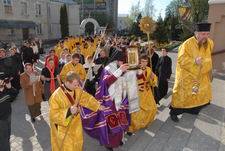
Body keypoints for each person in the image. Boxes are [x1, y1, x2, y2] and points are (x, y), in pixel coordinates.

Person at [82, 51, 132, 151]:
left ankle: (119, 139)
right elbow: (107, 81)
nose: (123, 64)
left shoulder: (121, 67)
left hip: (120, 100)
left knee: (121, 120)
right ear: (117, 61)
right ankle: (109, 144)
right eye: (122, 62)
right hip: (109, 101)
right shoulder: (108, 68)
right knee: (111, 124)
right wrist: (119, 71)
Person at [170, 22, 214, 122]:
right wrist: (194, 61)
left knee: (198, 95)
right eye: (203, 34)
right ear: (196, 33)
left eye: (207, 34)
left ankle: (193, 110)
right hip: (186, 76)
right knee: (181, 96)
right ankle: (174, 112)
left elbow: (208, 56)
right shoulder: (186, 44)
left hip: (201, 75)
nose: (205, 37)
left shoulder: (210, 43)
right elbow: (181, 60)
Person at [49, 71, 104, 151]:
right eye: (75, 85)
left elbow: (86, 98)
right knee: (67, 147)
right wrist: (69, 111)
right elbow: (53, 115)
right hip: (63, 128)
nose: (77, 86)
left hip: (76, 124)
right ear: (67, 82)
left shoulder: (77, 90)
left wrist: (97, 105)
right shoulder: (56, 96)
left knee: (78, 144)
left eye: (78, 84)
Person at [128, 55, 157, 133]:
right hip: (137, 92)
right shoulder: (135, 69)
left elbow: (152, 82)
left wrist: (153, 78)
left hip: (147, 92)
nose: (145, 63)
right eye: (143, 61)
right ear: (140, 61)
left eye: (146, 61)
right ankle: (134, 126)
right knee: (137, 111)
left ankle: (145, 122)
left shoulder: (149, 69)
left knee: (152, 107)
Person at [0, 79, 17, 151]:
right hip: (1, 120)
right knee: (4, 140)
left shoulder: (6, 88)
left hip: (8, 116)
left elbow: (14, 96)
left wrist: (10, 88)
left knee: (7, 136)